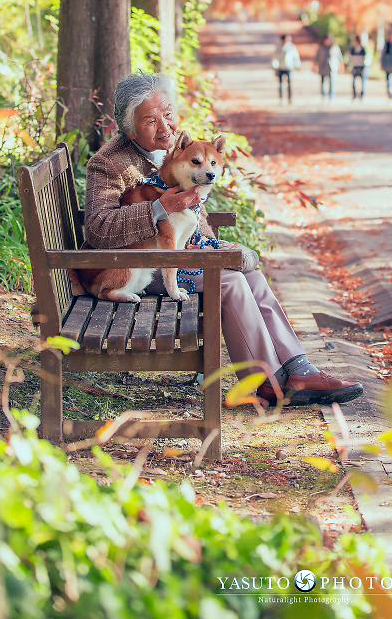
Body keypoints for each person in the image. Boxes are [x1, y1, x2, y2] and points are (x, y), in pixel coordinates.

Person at [84, 72, 363, 408]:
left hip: (182, 255)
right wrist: (158, 208)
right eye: (150, 120)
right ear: (130, 129)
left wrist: (214, 246)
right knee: (228, 282)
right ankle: (268, 382)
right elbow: (98, 228)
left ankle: (298, 369)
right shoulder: (108, 164)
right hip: (140, 267)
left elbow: (191, 217)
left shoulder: (182, 147)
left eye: (168, 114)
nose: (165, 127)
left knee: (252, 277)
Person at [272, 33, 301, 104]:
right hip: (280, 68)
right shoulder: (278, 47)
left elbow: (295, 57)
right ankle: (281, 99)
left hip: (289, 68)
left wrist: (297, 65)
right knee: (280, 84)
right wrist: (275, 66)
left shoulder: (292, 47)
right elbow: (275, 58)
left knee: (289, 84)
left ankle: (289, 98)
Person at [315, 35, 343, 100]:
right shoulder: (321, 48)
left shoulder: (335, 47)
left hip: (332, 67)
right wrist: (315, 65)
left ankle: (331, 95)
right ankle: (323, 95)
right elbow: (317, 57)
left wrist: (341, 67)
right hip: (322, 66)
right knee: (322, 81)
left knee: (332, 82)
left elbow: (340, 57)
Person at [347, 35, 370, 100]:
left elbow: (366, 57)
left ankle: (362, 94)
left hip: (362, 66)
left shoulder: (363, 48)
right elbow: (350, 57)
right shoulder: (352, 49)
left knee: (362, 82)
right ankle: (354, 94)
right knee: (353, 82)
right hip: (355, 66)